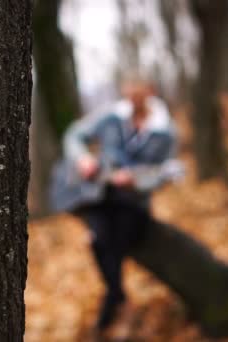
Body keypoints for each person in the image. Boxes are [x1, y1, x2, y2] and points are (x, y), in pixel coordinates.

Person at [61, 77, 179, 330]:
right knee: (97, 240)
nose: (133, 98)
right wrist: (82, 159)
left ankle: (114, 304)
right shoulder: (110, 118)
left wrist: (138, 182)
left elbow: (166, 172)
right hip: (102, 197)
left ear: (150, 91)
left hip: (134, 204)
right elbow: (74, 135)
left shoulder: (166, 131)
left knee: (113, 242)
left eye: (139, 93)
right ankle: (119, 297)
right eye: (129, 93)